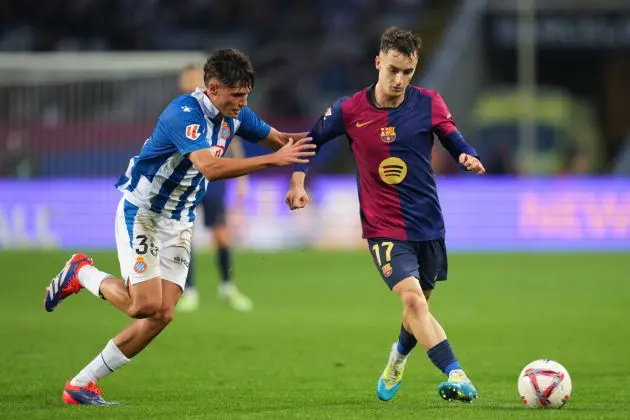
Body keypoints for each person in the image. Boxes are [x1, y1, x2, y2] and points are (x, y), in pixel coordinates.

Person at [43, 48, 313, 406]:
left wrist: (317, 142)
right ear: (213, 88)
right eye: (236, 95)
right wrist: (272, 161)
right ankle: (82, 272)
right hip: (143, 213)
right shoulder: (182, 113)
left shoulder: (236, 114)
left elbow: (283, 141)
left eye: (246, 95)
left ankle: (82, 383)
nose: (242, 103)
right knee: (143, 307)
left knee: (162, 314)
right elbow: (210, 168)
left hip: (179, 220)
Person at [284, 27, 486, 403]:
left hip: (427, 223)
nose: (399, 80)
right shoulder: (349, 110)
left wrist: (465, 154)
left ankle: (398, 356)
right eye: (393, 69)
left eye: (407, 72)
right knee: (412, 302)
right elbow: (308, 143)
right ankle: (457, 374)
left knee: (419, 308)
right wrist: (298, 183)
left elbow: (450, 135)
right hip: (383, 227)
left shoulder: (428, 102)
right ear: (378, 62)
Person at [175, 65, 253, 312]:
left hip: (212, 181)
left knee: (221, 234)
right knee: (185, 236)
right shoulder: (179, 111)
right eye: (187, 80)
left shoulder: (219, 108)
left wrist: (242, 179)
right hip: (184, 182)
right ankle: (189, 291)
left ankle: (227, 287)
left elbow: (234, 138)